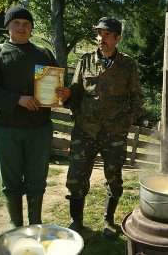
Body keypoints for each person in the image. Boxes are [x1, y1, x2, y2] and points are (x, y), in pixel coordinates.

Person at [57, 17, 144, 238]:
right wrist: (69, 99)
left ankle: (108, 220)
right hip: (85, 130)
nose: (101, 38)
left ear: (117, 38)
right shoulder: (85, 61)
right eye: (99, 34)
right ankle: (76, 220)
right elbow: (75, 92)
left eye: (106, 35)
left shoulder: (128, 64)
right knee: (76, 176)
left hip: (114, 133)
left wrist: (127, 121)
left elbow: (137, 98)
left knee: (113, 178)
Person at [0, 6, 58, 228]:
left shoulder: (43, 53)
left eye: (26, 24)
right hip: (6, 128)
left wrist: (64, 92)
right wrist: (16, 99)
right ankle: (16, 226)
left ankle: (35, 224)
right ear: (8, 26)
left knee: (37, 178)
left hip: (39, 128)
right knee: (11, 179)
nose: (22, 28)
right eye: (16, 23)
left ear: (31, 29)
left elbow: (57, 84)